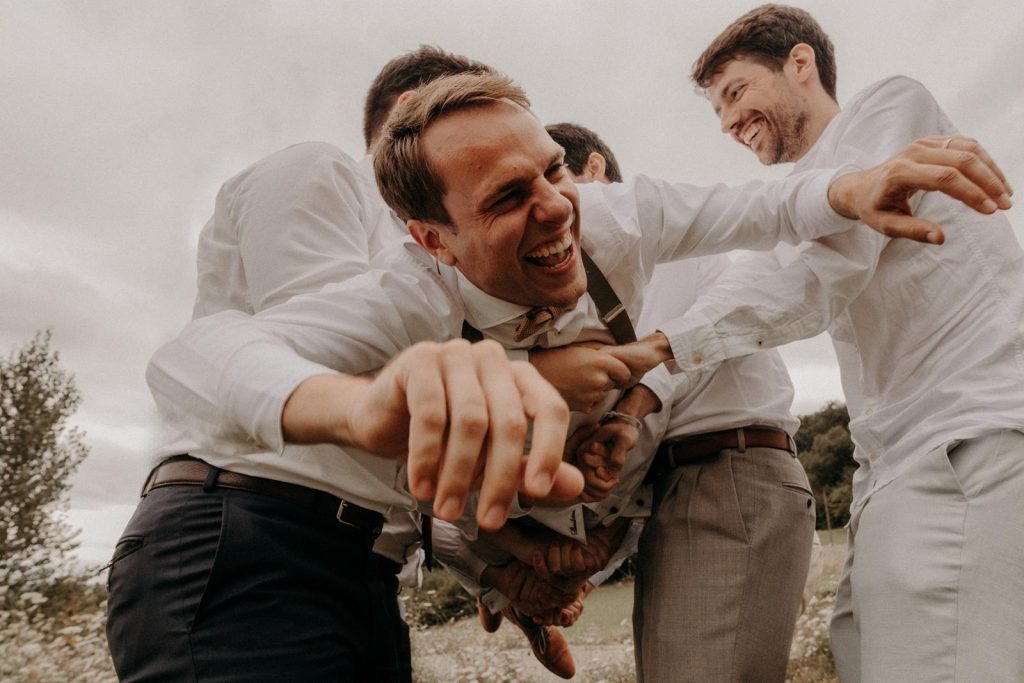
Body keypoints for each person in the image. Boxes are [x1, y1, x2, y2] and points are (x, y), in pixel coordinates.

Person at [140, 71, 1008, 681]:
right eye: (508, 198)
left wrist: (847, 190)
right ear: (431, 239)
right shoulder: (404, 298)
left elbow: (746, 207)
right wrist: (359, 404)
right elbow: (194, 356)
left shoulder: (603, 216)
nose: (556, 206)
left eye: (551, 168)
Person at [104, 47, 580, 683]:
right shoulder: (321, 173)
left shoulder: (435, 262)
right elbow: (329, 386)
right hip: (251, 547)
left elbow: (380, 467)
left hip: (357, 564)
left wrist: (494, 575)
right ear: (415, 113)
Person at [621, 4, 1023, 680]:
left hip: (959, 446)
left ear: (800, 64)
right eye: (718, 110)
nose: (727, 122)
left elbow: (811, 272)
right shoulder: (814, 197)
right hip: (890, 471)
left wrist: (654, 357)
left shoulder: (891, 109)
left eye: (736, 91)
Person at [547, 121, 815, 681]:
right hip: (691, 484)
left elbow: (643, 408)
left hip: (726, 476)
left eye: (556, 179)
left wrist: (563, 556)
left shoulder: (638, 241)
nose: (550, 211)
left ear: (594, 169)